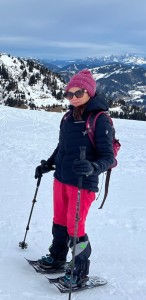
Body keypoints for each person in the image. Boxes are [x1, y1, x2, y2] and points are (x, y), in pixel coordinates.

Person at [34, 69, 115, 288]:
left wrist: (92, 167)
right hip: (61, 178)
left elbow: (109, 158)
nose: (73, 97)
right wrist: (49, 164)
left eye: (78, 92)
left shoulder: (100, 119)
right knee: (59, 220)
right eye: (68, 94)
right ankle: (58, 256)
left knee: (75, 228)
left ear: (89, 91)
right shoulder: (69, 116)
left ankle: (79, 271)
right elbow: (63, 146)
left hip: (82, 183)